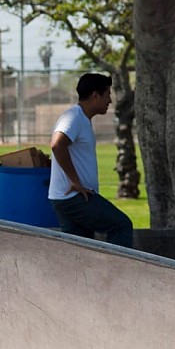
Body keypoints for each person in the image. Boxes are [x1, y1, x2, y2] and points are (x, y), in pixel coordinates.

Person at [47, 74, 134, 247]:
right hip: (73, 197)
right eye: (107, 94)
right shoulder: (73, 117)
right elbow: (57, 145)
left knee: (82, 250)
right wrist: (75, 181)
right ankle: (116, 272)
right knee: (121, 226)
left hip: (72, 197)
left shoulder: (81, 119)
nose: (110, 100)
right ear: (95, 95)